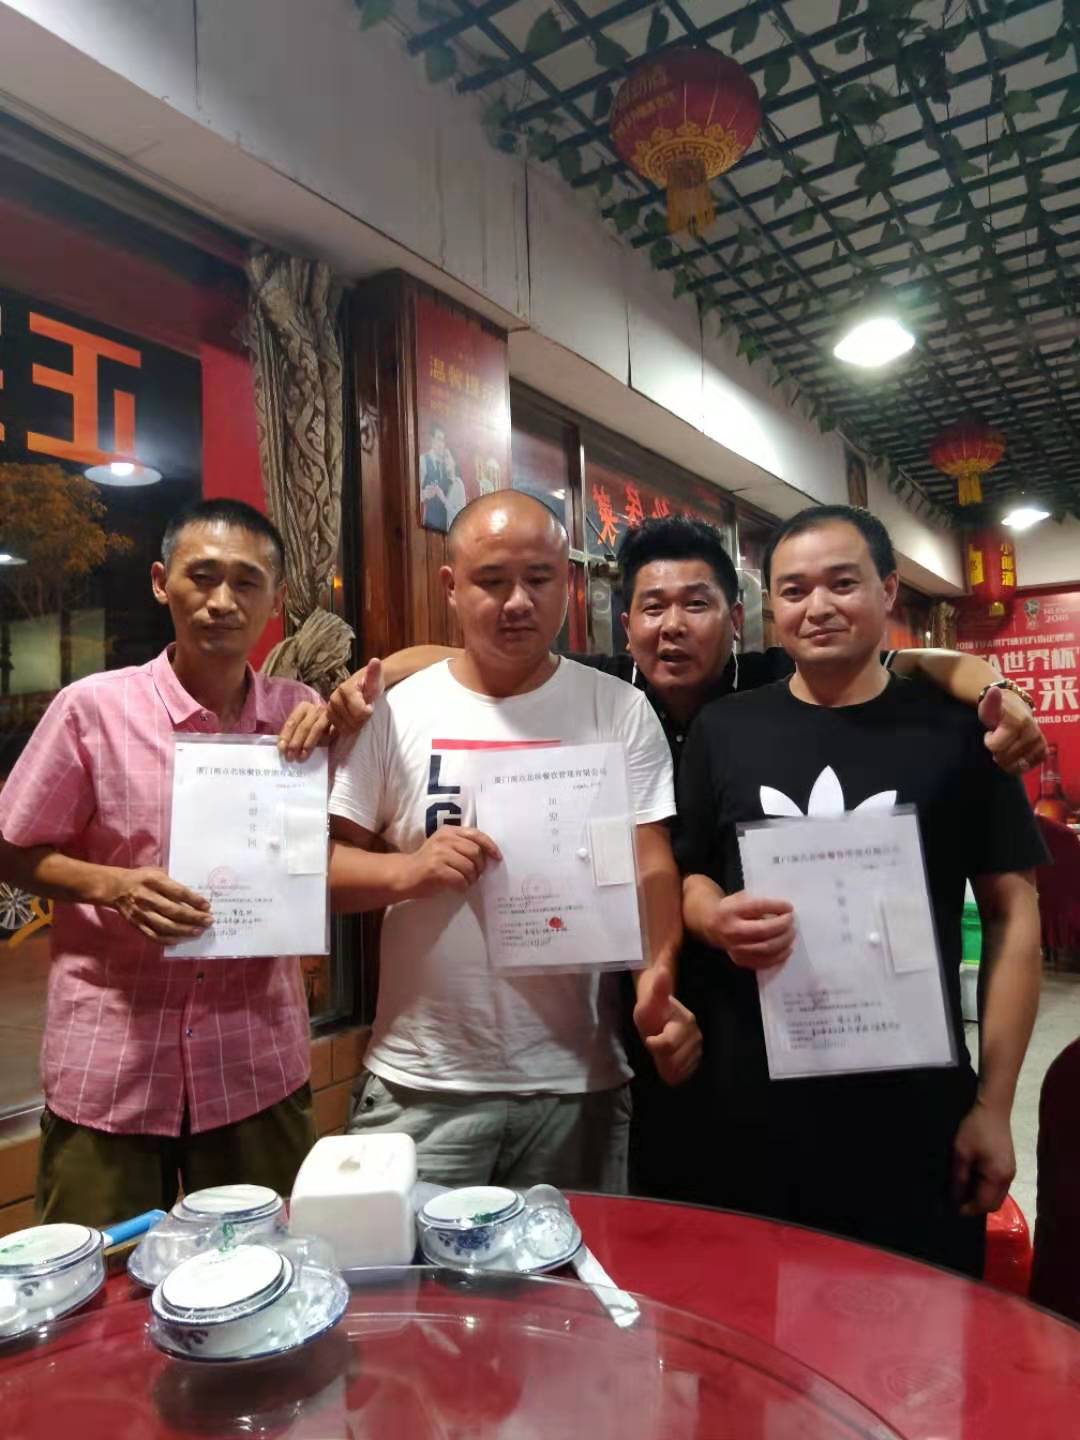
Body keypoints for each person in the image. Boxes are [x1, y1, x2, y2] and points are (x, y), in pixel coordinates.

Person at [319, 514, 1047, 1198]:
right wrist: (375, 679)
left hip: (778, 1037)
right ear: (625, 623)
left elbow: (901, 663)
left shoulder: (764, 686)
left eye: (697, 603)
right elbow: (478, 657)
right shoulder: (618, 691)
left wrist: (992, 682)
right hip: (663, 1040)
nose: (673, 626)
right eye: (653, 607)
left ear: (739, 617)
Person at [679, 505, 1045, 1275]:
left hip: (917, 1109)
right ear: (772, 608)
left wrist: (994, 1105)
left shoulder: (960, 730)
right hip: (755, 1107)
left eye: (842, 584)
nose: (818, 606)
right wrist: (711, 916)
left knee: (917, 1330)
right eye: (794, 590)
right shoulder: (725, 728)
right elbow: (689, 872)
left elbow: (1013, 915)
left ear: (888, 591)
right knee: (755, 1325)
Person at [327, 490, 698, 1191]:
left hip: (578, 1082)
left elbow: (651, 866)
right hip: (420, 1083)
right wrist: (409, 872)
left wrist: (656, 979)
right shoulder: (397, 713)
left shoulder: (618, 710)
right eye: (492, 581)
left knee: (573, 1265)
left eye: (539, 578)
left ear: (569, 585)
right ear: (451, 587)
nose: (517, 602)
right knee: (404, 1264)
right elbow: (317, 871)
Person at [0, 498, 331, 1226]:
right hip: (113, 1066)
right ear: (160, 582)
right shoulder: (92, 710)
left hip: (254, 1061)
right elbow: (11, 846)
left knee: (271, 1267)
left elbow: (325, 852)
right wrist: (112, 885)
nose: (222, 601)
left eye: (246, 582)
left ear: (276, 600)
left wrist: (353, 719)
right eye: (202, 576)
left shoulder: (299, 716)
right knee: (97, 1278)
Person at [419, 425, 457, 531]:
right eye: (439, 439)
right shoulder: (423, 460)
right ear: (431, 440)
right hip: (430, 525)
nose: (442, 444)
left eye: (443, 440)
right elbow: (414, 495)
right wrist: (425, 494)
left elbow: (453, 497)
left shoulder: (447, 463)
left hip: (446, 526)